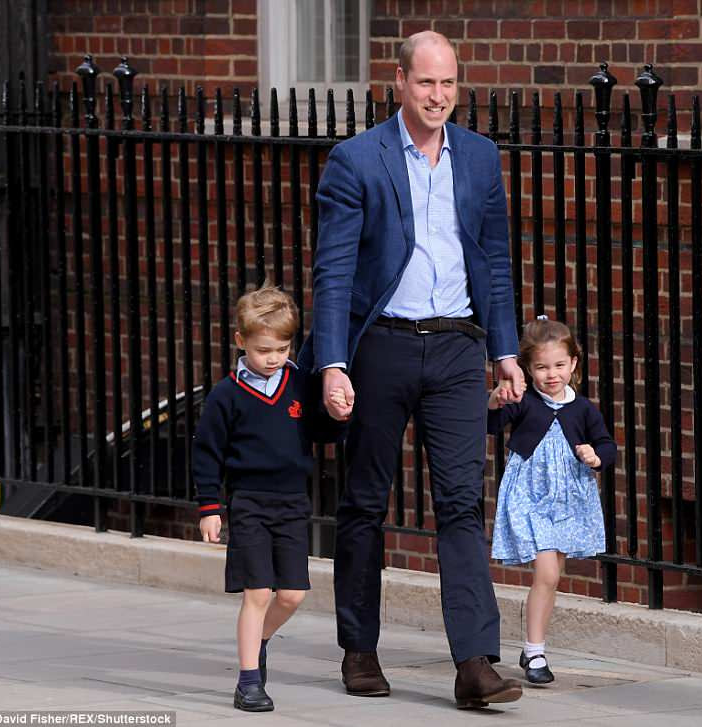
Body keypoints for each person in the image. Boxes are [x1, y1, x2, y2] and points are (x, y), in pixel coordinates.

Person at [299, 30, 526, 709]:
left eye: (449, 83)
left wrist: (505, 351)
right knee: (366, 500)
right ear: (398, 82)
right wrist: (334, 363)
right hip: (383, 347)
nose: (438, 97)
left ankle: (474, 662)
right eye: (426, 83)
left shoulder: (481, 158)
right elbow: (334, 270)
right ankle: (360, 648)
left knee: (461, 502)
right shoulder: (356, 160)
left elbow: (495, 261)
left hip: (457, 347)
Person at [194, 284, 335, 712]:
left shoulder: (300, 385)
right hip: (249, 503)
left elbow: (322, 434)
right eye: (263, 349)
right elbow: (206, 453)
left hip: (292, 503)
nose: (273, 357)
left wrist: (340, 416)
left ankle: (260, 642)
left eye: (282, 348)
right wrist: (209, 508)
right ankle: (248, 680)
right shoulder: (226, 395)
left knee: (292, 594)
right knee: (256, 593)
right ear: (241, 342)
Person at [487, 317, 617, 685]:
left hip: (568, 500)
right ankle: (536, 652)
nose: (552, 374)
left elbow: (608, 445)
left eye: (560, 365)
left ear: (574, 363)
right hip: (530, 495)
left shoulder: (583, 408)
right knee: (546, 573)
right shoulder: (525, 402)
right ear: (527, 368)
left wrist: (596, 456)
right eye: (542, 367)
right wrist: (495, 401)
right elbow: (491, 423)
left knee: (552, 577)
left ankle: (533, 648)